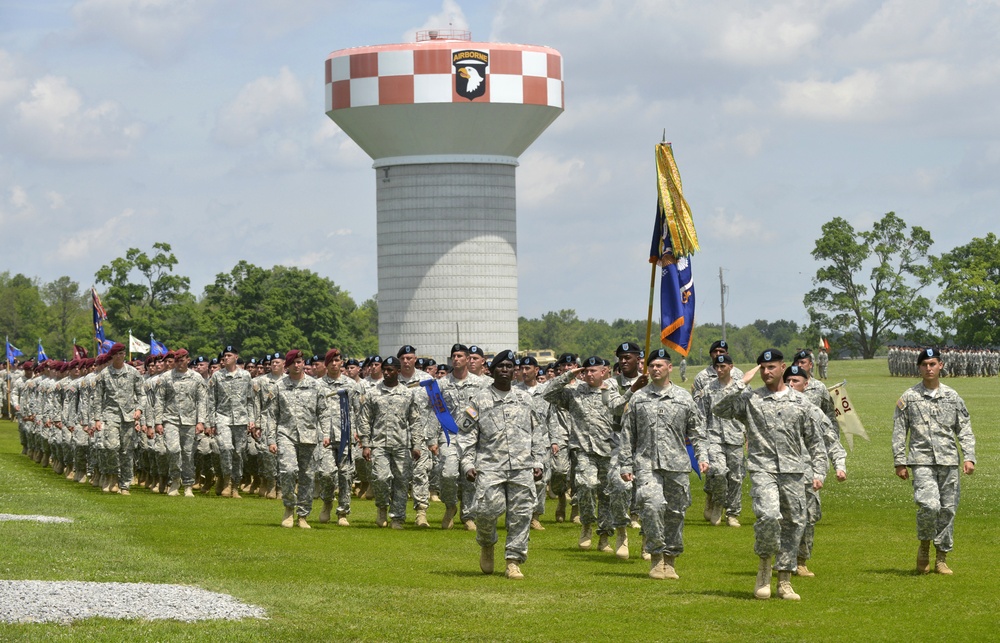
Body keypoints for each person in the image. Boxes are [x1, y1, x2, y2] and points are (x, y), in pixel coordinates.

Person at [713, 348, 828, 601]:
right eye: (763, 368)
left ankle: (784, 580)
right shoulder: (751, 399)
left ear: (783, 367)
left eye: (771, 367)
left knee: (794, 523)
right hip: (763, 469)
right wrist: (739, 384)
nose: (766, 372)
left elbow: (815, 441)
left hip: (794, 471)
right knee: (767, 515)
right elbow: (718, 408)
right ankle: (764, 569)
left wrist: (819, 471)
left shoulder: (801, 402)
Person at [619, 349, 708, 579]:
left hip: (676, 465)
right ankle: (656, 557)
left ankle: (670, 560)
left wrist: (703, 456)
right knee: (652, 505)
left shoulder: (683, 398)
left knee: (675, 513)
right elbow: (628, 434)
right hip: (646, 463)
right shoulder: (638, 398)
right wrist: (625, 465)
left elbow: (697, 431)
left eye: (660, 365)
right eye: (652, 365)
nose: (656, 369)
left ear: (670, 368)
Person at [458, 350, 546, 580]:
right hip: (489, 466)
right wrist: (467, 464)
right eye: (500, 366)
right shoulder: (478, 400)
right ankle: (487, 544)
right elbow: (466, 434)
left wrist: (538, 461)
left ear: (515, 370)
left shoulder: (525, 399)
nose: (505, 370)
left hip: (521, 467)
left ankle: (513, 561)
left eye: (509, 366)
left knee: (521, 515)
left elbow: (538, 432)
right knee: (486, 511)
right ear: (491, 369)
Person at [892, 347, 976, 575]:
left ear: (941, 366)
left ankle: (941, 558)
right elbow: (900, 431)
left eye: (932, 364)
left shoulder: (952, 396)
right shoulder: (909, 397)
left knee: (948, 510)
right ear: (919, 368)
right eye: (924, 364)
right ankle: (924, 546)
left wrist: (969, 457)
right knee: (929, 505)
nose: (928, 368)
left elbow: (964, 429)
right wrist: (900, 462)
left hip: (949, 461)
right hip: (921, 461)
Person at [544, 355, 630, 556]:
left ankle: (605, 536)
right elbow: (548, 394)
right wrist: (568, 375)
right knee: (586, 486)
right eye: (587, 371)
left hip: (609, 450)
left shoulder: (612, 391)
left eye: (594, 371)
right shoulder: (575, 392)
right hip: (583, 450)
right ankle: (586, 525)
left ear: (604, 372)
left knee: (607, 495)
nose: (589, 374)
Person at [359, 356, 425, 529]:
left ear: (398, 371)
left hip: (401, 444)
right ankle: (382, 508)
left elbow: (415, 421)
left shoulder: (407, 394)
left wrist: (416, 445)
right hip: (379, 444)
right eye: (384, 370)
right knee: (380, 478)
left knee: (401, 482)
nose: (386, 373)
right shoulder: (373, 393)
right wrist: (366, 444)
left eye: (390, 370)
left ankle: (397, 517)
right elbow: (365, 420)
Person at [272, 350, 328, 528]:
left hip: (309, 436)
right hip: (286, 434)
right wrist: (270, 440)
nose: (297, 365)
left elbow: (324, 412)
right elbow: (271, 415)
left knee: (307, 476)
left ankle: (303, 515)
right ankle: (289, 507)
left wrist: (326, 434)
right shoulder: (279, 386)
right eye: (294, 362)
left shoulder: (315, 385)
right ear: (287, 365)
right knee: (288, 471)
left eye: (300, 361)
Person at [697, 353, 746, 528]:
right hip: (714, 437)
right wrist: (701, 439)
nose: (719, 370)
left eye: (722, 366)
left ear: (731, 367)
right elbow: (701, 416)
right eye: (716, 367)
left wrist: (748, 435)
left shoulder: (741, 389)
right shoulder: (709, 389)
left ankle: (732, 513)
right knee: (718, 471)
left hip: (735, 437)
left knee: (735, 477)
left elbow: (747, 413)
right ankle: (717, 503)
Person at [92, 343, 145, 495]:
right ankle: (112, 477)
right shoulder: (104, 374)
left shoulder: (133, 373)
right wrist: (97, 418)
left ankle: (125, 485)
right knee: (111, 447)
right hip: (111, 415)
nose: (120, 356)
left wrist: (139, 409)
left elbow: (142, 394)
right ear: (112, 356)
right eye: (117, 354)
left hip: (128, 416)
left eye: (122, 353)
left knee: (127, 451)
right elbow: (97, 398)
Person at [206, 345, 255, 498]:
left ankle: (235, 486)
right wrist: (211, 423)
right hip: (223, 417)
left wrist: (251, 419)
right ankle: (226, 480)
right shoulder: (217, 376)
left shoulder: (245, 375)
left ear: (236, 357)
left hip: (241, 419)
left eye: (228, 355)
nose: (225, 358)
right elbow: (211, 401)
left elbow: (250, 400)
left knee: (238, 453)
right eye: (224, 356)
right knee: (226, 448)